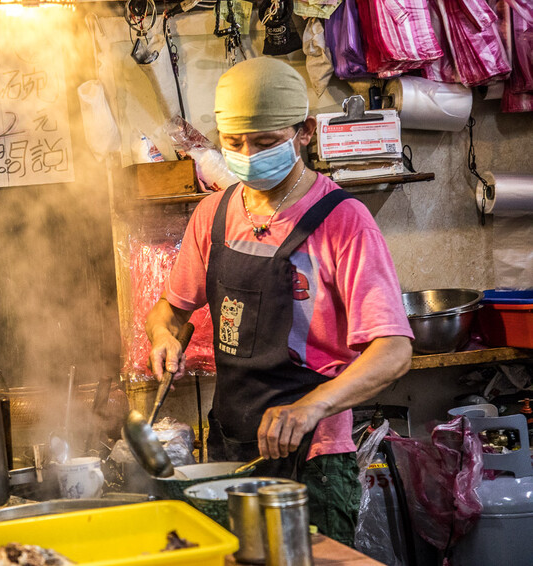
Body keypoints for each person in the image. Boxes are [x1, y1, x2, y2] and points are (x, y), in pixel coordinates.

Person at [145, 57, 414, 546]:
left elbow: (393, 350)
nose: (247, 155)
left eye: (266, 142)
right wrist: (163, 336)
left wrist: (310, 408)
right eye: (234, 143)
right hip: (230, 445)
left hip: (314, 457)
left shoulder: (343, 221)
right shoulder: (214, 214)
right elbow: (172, 310)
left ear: (305, 132)